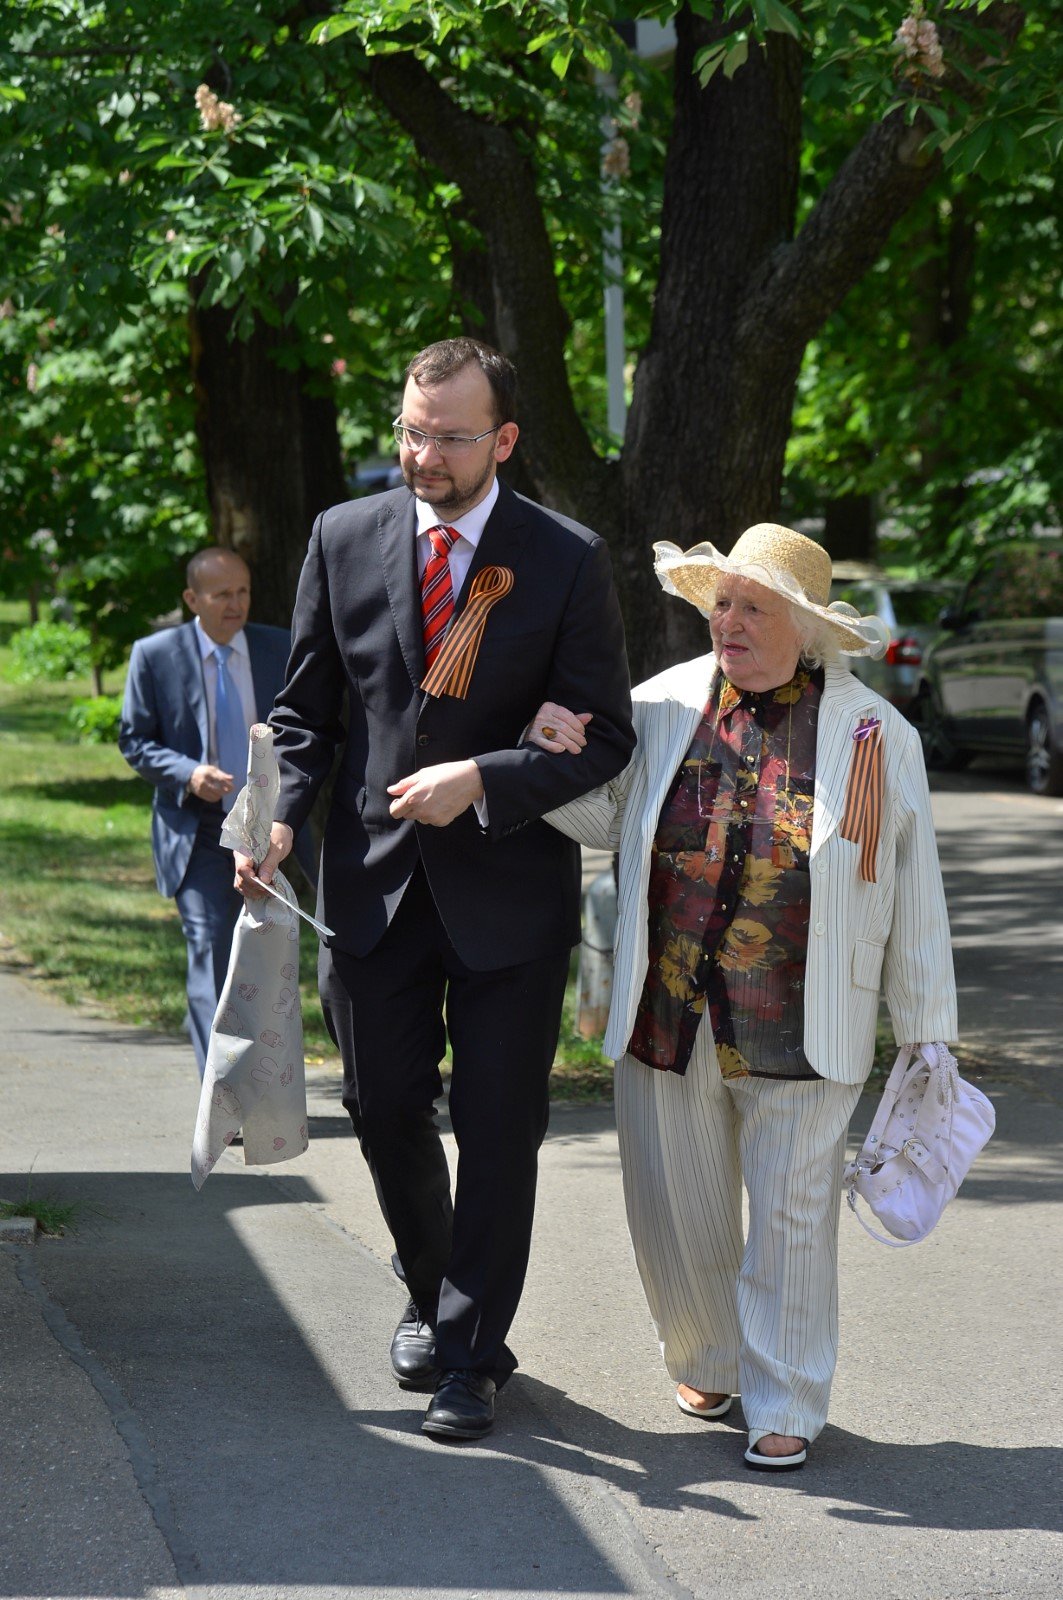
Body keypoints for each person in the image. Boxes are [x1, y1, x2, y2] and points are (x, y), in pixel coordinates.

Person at [236, 337, 634, 1441]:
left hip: (509, 897)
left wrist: (486, 778)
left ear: (502, 439)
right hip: (370, 884)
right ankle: (430, 1289)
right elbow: (309, 712)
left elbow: (602, 736)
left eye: (450, 436)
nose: (423, 454)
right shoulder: (342, 536)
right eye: (411, 430)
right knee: (381, 1110)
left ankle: (470, 1354)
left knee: (498, 1128)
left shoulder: (563, 556)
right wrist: (274, 816)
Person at [531, 523, 957, 1471]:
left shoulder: (874, 735)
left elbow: (912, 885)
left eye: (751, 606)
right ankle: (706, 1354)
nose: (727, 620)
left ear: (802, 628)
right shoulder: (658, 705)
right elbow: (606, 820)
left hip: (806, 1012)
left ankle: (788, 1398)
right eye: (719, 603)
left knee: (792, 1220)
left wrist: (928, 1032)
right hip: (669, 1006)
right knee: (677, 1208)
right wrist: (550, 756)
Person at [119, 548, 299, 1079]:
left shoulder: (279, 647)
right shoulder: (155, 655)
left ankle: (264, 1077)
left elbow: (302, 733)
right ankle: (220, 1088)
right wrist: (186, 772)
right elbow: (135, 740)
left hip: (267, 831)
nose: (235, 603)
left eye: (242, 591)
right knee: (211, 949)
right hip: (196, 830)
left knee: (265, 962)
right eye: (222, 594)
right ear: (192, 599)